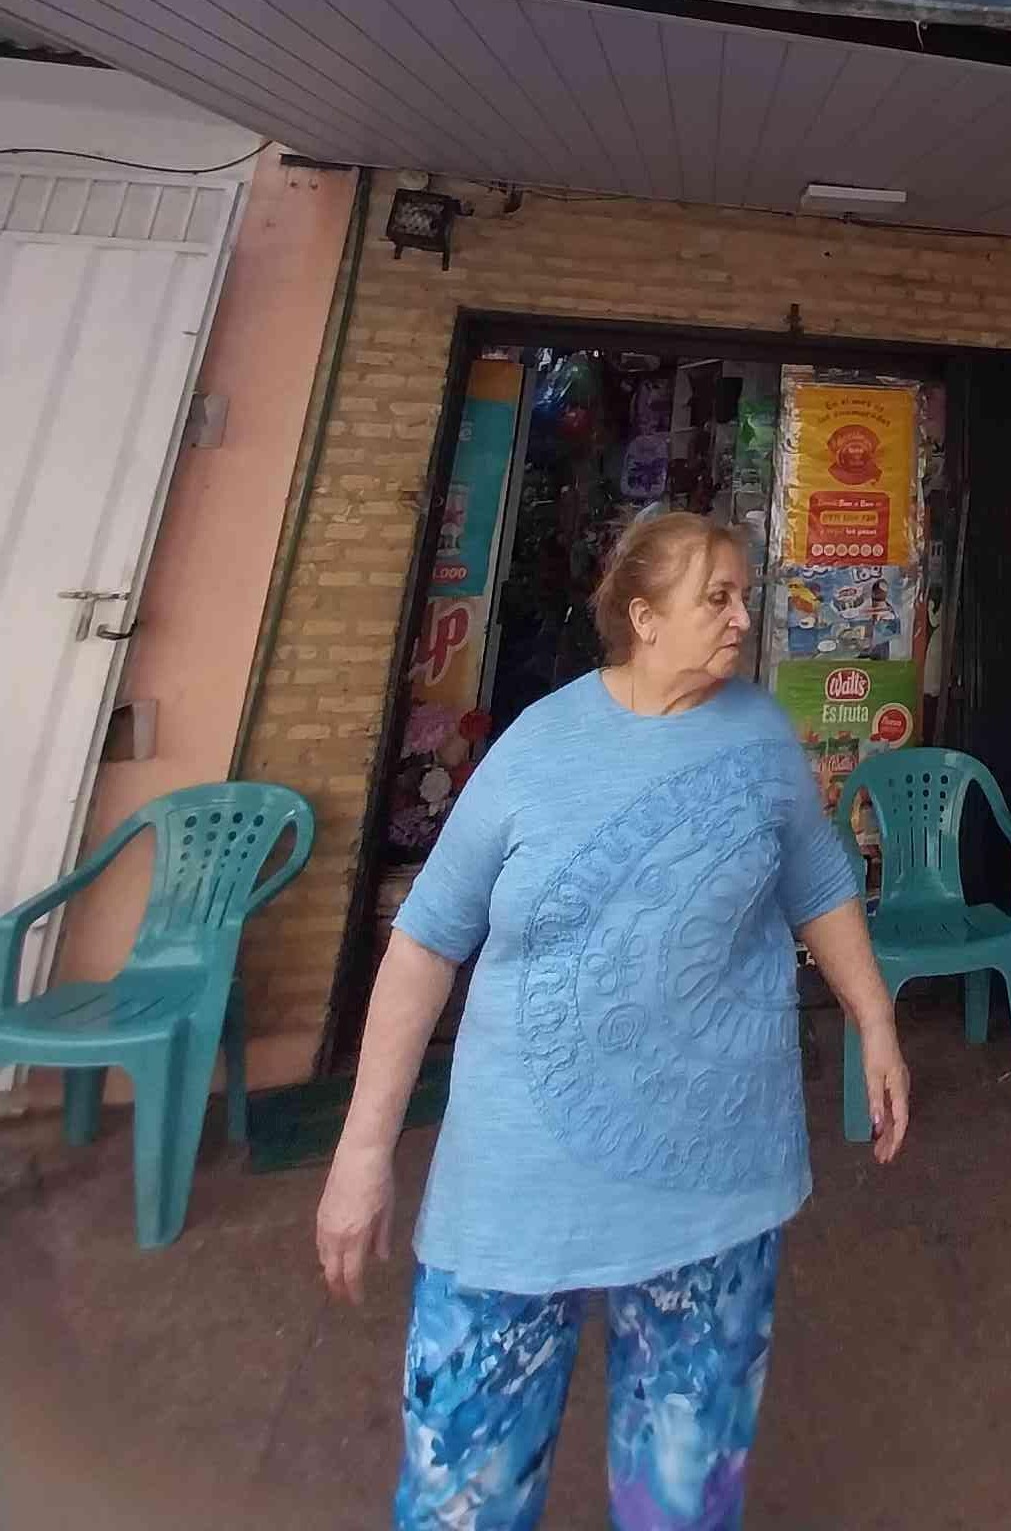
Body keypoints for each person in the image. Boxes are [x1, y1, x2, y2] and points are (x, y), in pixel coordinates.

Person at [316, 508, 909, 1531]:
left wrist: (876, 1019)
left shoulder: (762, 734)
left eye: (745, 594)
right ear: (643, 616)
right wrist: (363, 1149)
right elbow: (423, 946)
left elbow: (817, 882)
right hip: (520, 1187)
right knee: (464, 1491)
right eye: (717, 596)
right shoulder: (537, 748)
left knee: (684, 1493)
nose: (742, 617)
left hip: (715, 1177)